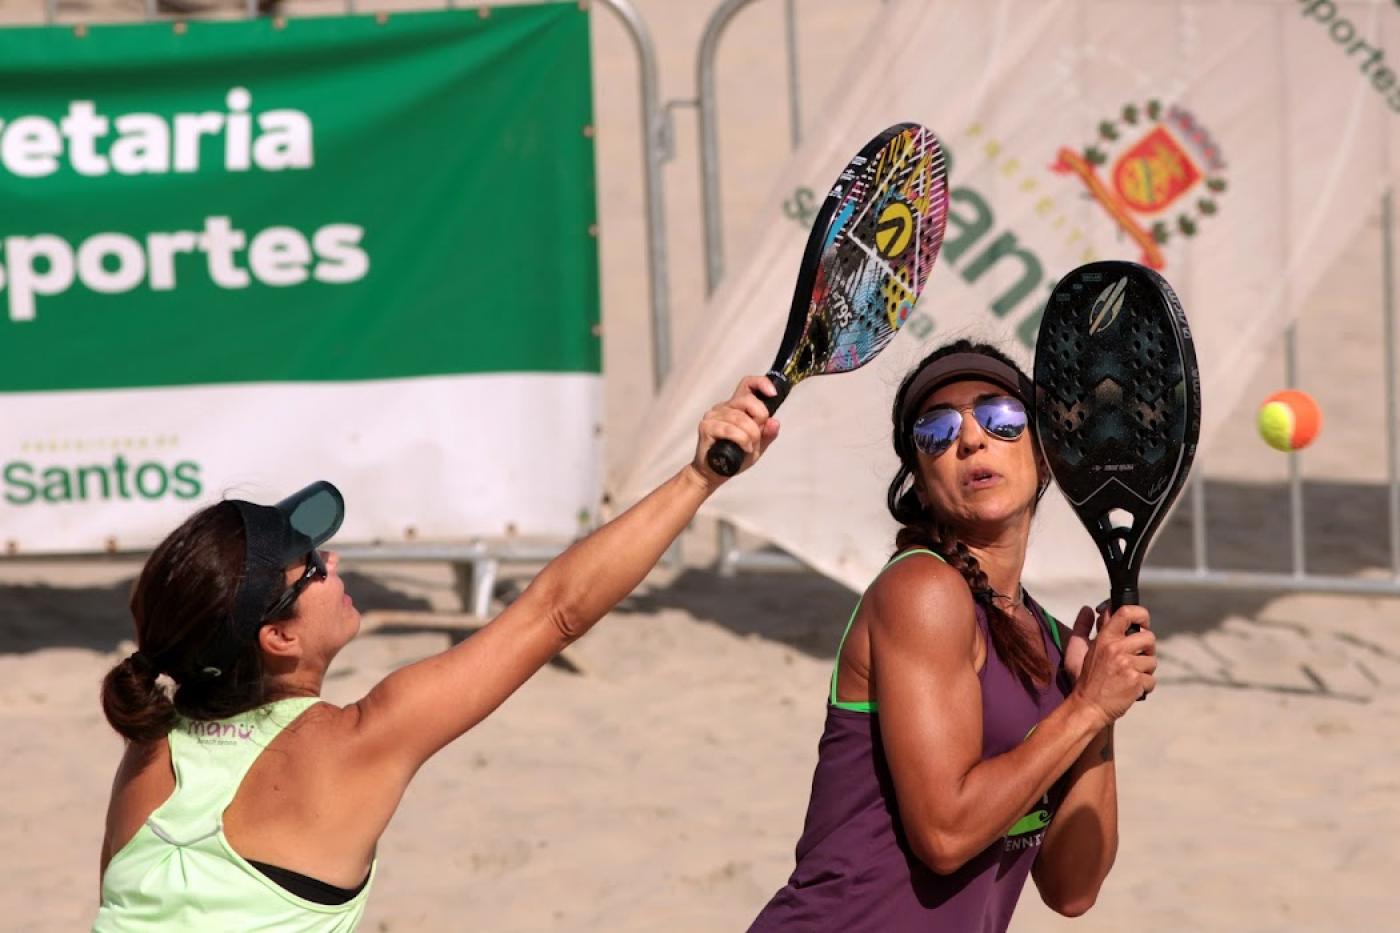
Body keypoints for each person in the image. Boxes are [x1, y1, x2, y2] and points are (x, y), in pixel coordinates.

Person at [94, 377, 781, 930]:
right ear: (279, 638)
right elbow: (556, 610)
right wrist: (699, 477)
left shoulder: (151, 745)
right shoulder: (353, 742)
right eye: (309, 566)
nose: (332, 559)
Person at [749, 340, 1157, 932]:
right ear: (920, 480)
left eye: (1001, 418)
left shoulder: (1049, 639)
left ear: (1045, 454)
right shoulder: (924, 591)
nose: (971, 440)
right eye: (936, 432)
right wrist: (1088, 707)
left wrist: (1098, 713)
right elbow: (945, 834)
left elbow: (1072, 890)